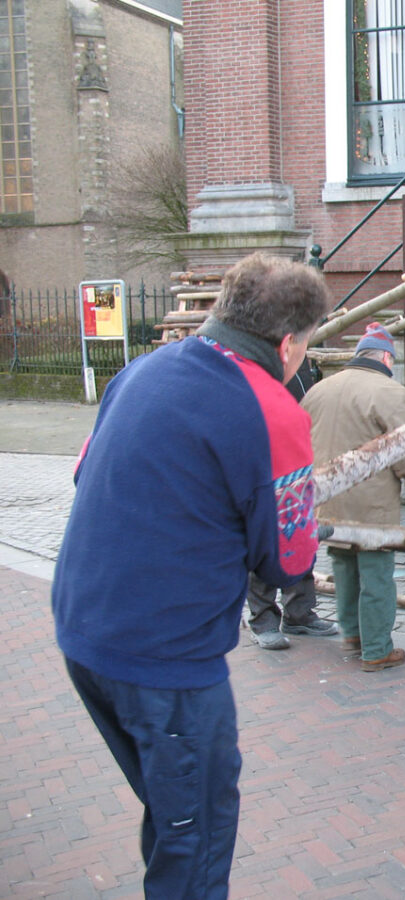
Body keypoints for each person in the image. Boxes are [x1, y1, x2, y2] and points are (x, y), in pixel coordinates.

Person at [52, 252, 330, 898]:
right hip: (164, 657)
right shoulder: (273, 408)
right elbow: (287, 562)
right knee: (197, 833)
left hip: (83, 630)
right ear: (288, 343)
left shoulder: (141, 370)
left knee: (170, 808)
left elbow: (83, 474)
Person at [302, 322, 405, 672]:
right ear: (385, 358)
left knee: (344, 566)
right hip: (371, 505)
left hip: (327, 501)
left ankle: (352, 635)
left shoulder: (319, 390)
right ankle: (376, 648)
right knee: (376, 575)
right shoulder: (390, 393)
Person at [246, 359, 338, 649]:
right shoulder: (254, 362)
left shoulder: (298, 358)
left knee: (300, 538)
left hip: (296, 460)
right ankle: (262, 620)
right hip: (263, 458)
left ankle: (299, 614)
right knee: (264, 541)